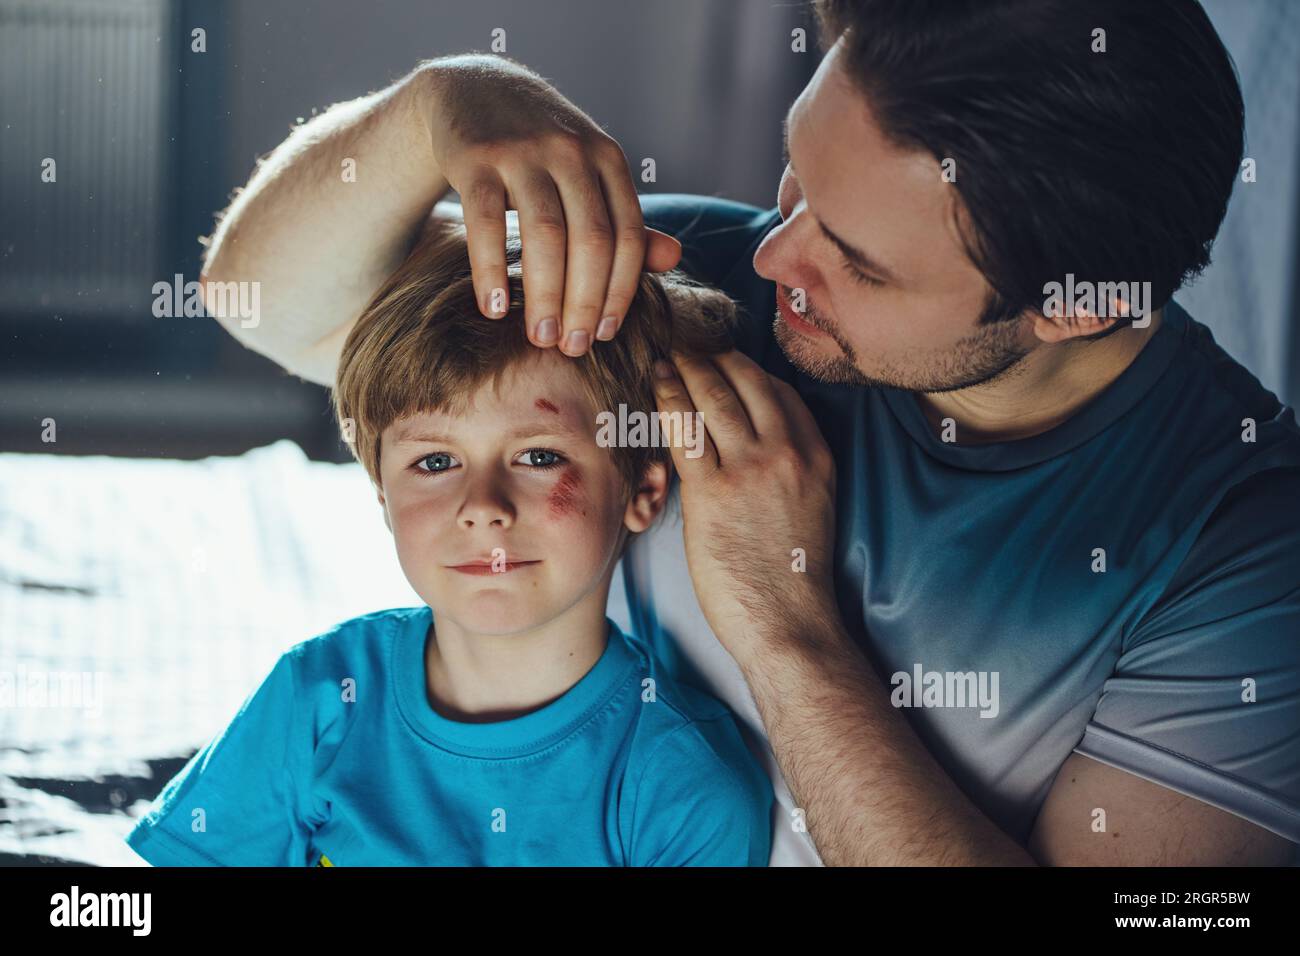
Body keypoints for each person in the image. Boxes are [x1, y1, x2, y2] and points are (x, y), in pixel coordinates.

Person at [199, 0, 1300, 865]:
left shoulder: (1241, 551)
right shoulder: (710, 282)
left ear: (1075, 302)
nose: (776, 256)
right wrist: (435, 111)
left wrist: (782, 624)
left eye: (856, 260)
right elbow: (267, 308)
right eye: (798, 183)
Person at [125, 218, 774, 866]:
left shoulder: (681, 790)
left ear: (642, 489)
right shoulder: (318, 695)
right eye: (435, 463)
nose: (482, 508)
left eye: (539, 456)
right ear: (382, 495)